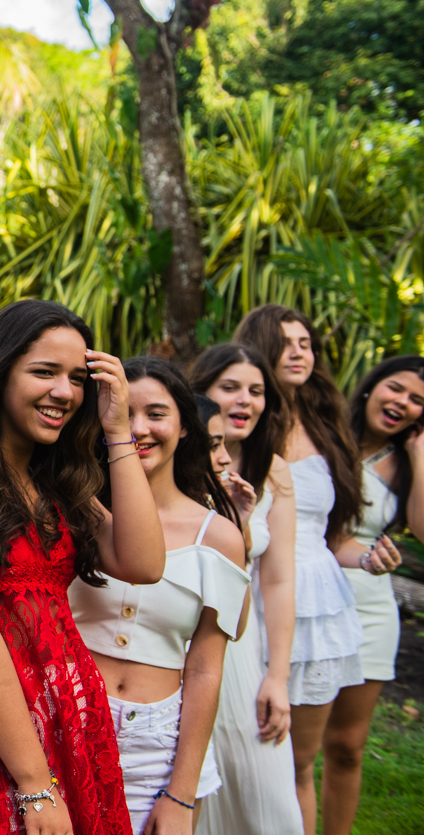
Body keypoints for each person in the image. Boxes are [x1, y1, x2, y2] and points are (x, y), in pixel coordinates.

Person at [0, 299, 166, 835]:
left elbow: (144, 563)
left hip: (71, 722)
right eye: (45, 372)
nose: (65, 393)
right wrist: (34, 782)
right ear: (0, 373)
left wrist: (117, 429)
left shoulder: (57, 481)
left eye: (78, 379)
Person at [69, 358, 248, 835]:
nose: (139, 429)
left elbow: (207, 668)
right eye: (125, 412)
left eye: (156, 413)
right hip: (65, 721)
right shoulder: (74, 509)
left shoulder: (221, 538)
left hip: (157, 745)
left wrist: (180, 794)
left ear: (186, 427)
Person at [234, 305, 364, 835]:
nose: (299, 352)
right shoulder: (234, 426)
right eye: (285, 342)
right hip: (246, 594)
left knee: (293, 761)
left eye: (306, 342)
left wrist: (367, 554)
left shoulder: (327, 424)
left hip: (312, 602)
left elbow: (335, 535)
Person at [190, 343, 303, 835]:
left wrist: (277, 677)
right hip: (184, 646)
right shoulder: (172, 468)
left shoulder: (272, 468)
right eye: (230, 388)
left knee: (267, 796)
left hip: (244, 649)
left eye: (255, 390)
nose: (245, 401)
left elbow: (277, 579)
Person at [319, 356, 423, 835]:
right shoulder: (325, 431)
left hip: (370, 607)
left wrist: (420, 456)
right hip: (304, 593)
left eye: (417, 400)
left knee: (346, 744)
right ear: (371, 387)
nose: (402, 402)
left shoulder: (407, 463)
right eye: (396, 389)